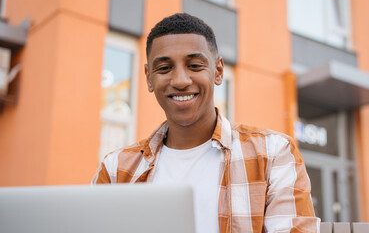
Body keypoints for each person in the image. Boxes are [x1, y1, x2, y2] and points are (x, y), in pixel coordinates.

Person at [92, 13, 320, 233]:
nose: (180, 81)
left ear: (218, 71)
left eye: (195, 66)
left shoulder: (273, 154)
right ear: (149, 77)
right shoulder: (115, 169)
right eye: (164, 68)